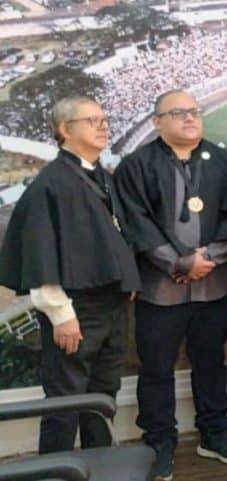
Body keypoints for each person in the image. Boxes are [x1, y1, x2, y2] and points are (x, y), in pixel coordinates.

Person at [114, 90, 227, 479]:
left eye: (194, 112)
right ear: (158, 122)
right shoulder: (136, 166)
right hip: (161, 290)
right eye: (179, 113)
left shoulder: (226, 162)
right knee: (156, 368)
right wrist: (178, 262)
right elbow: (135, 221)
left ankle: (214, 434)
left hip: (214, 286)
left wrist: (212, 257)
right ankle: (159, 442)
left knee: (211, 362)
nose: (190, 119)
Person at [0, 96, 140, 454]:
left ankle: (101, 467)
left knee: (101, 397)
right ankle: (53, 474)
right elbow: (41, 254)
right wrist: (62, 315)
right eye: (92, 120)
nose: (104, 125)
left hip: (108, 306)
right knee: (64, 404)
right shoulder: (52, 183)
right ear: (65, 129)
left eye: (104, 119)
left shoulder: (96, 175)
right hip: (76, 311)